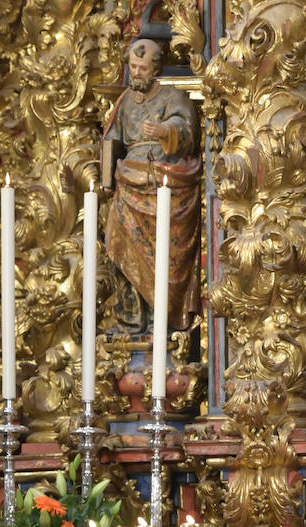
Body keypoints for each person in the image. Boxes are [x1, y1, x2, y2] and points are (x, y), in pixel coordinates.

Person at [102, 38, 201, 331]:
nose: (136, 73)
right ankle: (133, 314)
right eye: (133, 67)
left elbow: (187, 129)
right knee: (119, 239)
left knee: (163, 251)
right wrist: (106, 175)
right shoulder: (125, 101)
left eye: (142, 68)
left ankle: (163, 313)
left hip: (165, 181)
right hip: (128, 182)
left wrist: (164, 131)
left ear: (156, 69)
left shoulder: (173, 96)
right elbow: (112, 138)